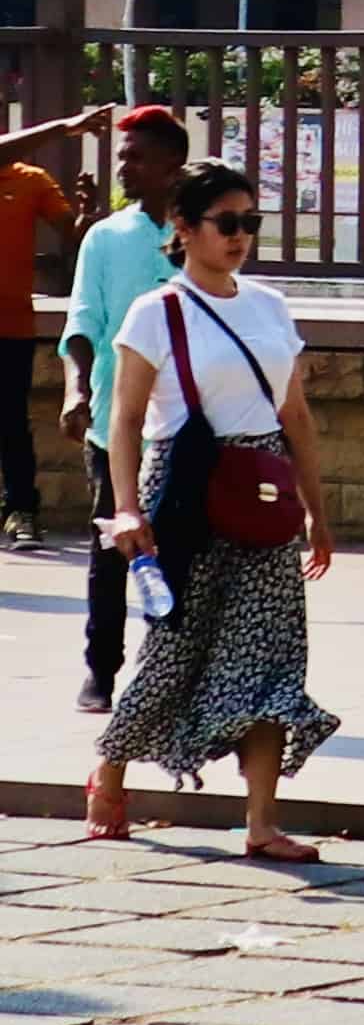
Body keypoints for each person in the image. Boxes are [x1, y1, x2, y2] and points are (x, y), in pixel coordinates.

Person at [87, 160, 337, 858]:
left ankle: (261, 820)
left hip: (264, 486)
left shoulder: (269, 306)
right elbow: (127, 418)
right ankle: (109, 769)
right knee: (175, 649)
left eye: (250, 222)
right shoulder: (155, 311)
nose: (240, 236)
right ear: (185, 227)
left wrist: (317, 508)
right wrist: (129, 508)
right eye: (226, 222)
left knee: (273, 658)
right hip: (191, 486)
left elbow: (296, 415)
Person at [59, 104, 184, 710]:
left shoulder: (200, 236)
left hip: (186, 426)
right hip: (115, 425)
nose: (123, 166)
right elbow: (82, 320)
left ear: (171, 164)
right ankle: (100, 671)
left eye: (136, 155)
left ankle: (173, 676)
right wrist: (76, 388)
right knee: (111, 549)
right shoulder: (104, 238)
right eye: (122, 155)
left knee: (183, 554)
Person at [0, 106, 104, 549]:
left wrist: (86, 212)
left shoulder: (32, 180)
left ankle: (22, 512)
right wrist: (64, 125)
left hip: (12, 323)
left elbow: (73, 236)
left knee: (10, 422)